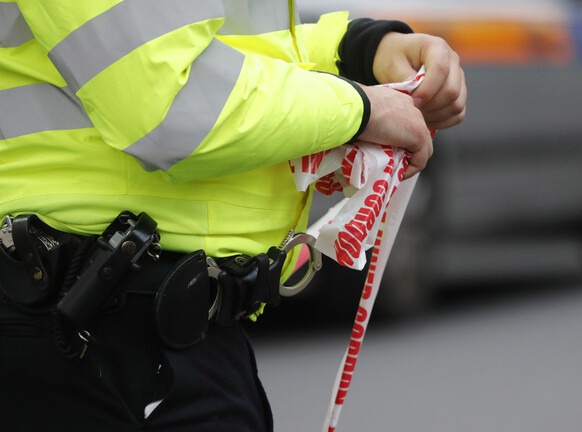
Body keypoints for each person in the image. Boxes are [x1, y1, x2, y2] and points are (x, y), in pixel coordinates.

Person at [0, 1, 466, 431]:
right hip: (93, 328)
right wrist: (359, 107)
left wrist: (356, 52)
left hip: (145, 322)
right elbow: (167, 105)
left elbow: (233, 44)